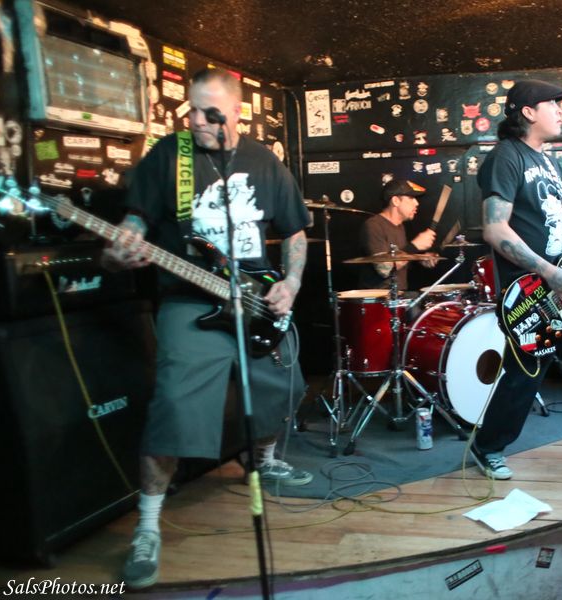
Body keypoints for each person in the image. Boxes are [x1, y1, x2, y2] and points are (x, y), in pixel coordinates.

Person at [102, 68, 313, 589]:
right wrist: (123, 242)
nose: (194, 119)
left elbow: (295, 231)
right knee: (174, 407)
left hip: (257, 300)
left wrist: (290, 281)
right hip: (189, 300)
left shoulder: (265, 162)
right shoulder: (167, 157)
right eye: (191, 109)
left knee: (281, 384)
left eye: (206, 111)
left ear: (234, 113)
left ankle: (262, 460)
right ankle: (148, 525)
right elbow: (136, 220)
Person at [472, 79, 562, 479]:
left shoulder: (550, 163)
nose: (561, 111)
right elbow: (495, 228)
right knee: (523, 377)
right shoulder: (506, 157)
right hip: (531, 293)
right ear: (528, 112)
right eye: (553, 104)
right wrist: (549, 272)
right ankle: (487, 447)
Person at [357, 178, 437, 290]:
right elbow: (385, 269)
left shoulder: (400, 227)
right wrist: (414, 246)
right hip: (380, 297)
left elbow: (399, 259)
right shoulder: (374, 225)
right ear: (395, 201)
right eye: (411, 198)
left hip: (399, 295)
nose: (417, 203)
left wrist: (420, 258)